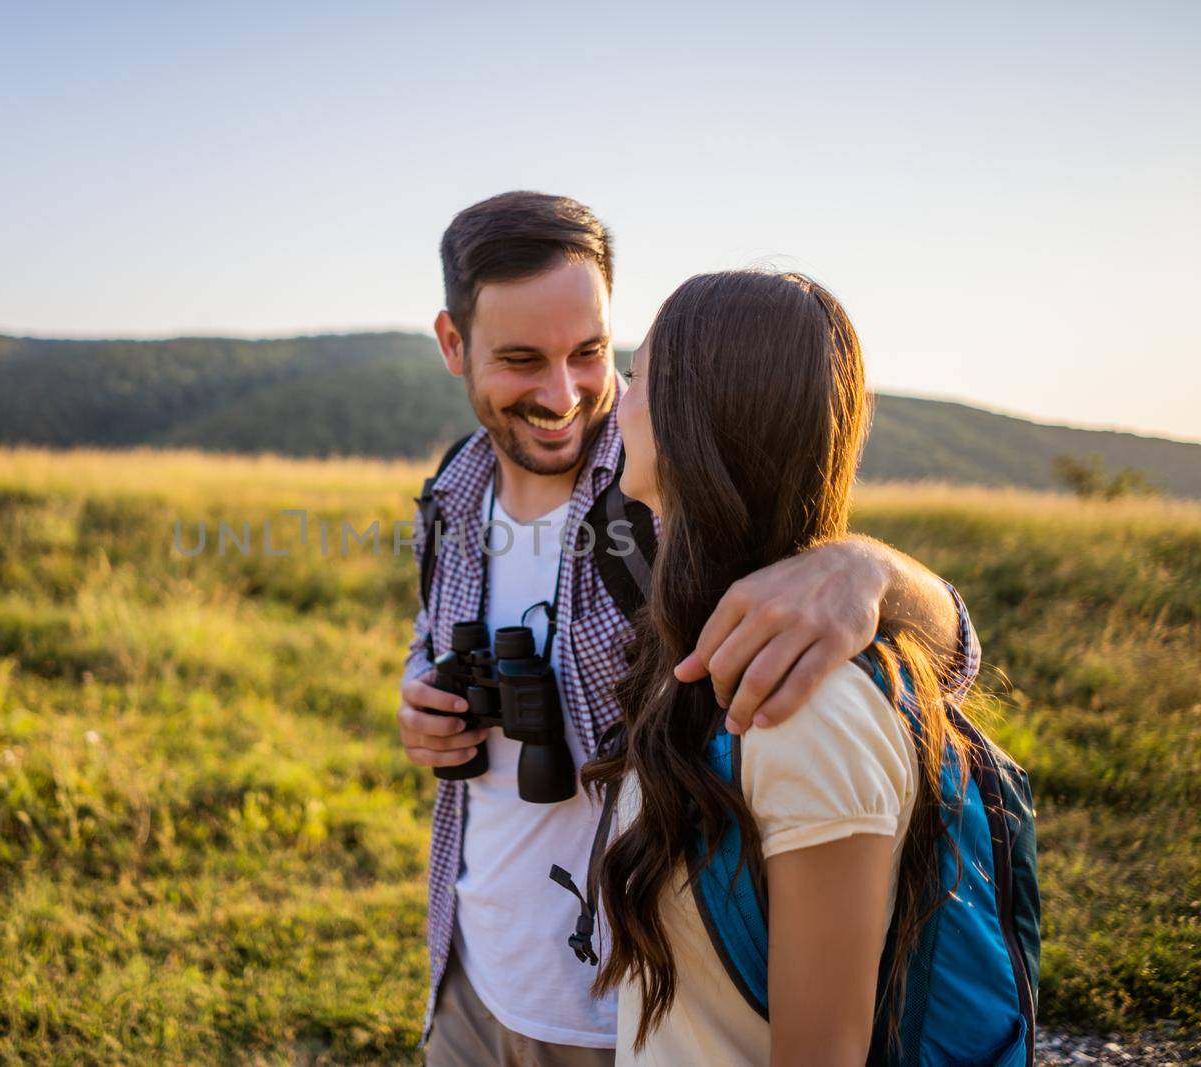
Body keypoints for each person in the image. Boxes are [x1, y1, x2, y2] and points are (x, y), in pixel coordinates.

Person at [399, 192, 983, 1065]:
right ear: (453, 343)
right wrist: (421, 699)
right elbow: (428, 632)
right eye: (522, 360)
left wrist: (869, 569)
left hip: (630, 1014)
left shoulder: (668, 495)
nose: (566, 395)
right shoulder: (453, 487)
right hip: (470, 975)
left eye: (592, 353)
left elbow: (948, 658)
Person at [592, 269, 1022, 1064]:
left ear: (693, 416)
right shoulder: (711, 641)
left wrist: (876, 569)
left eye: (641, 377)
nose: (619, 396)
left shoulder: (805, 709)